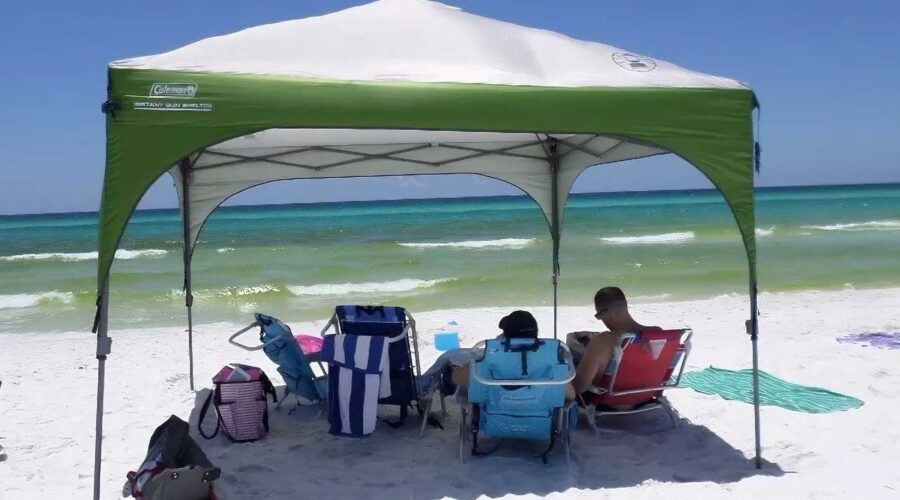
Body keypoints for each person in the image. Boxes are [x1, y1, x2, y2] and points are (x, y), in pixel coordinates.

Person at [568, 287, 661, 401]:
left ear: (605, 313)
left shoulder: (601, 342)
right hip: (645, 397)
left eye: (599, 316)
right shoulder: (658, 334)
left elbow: (578, 387)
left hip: (611, 402)